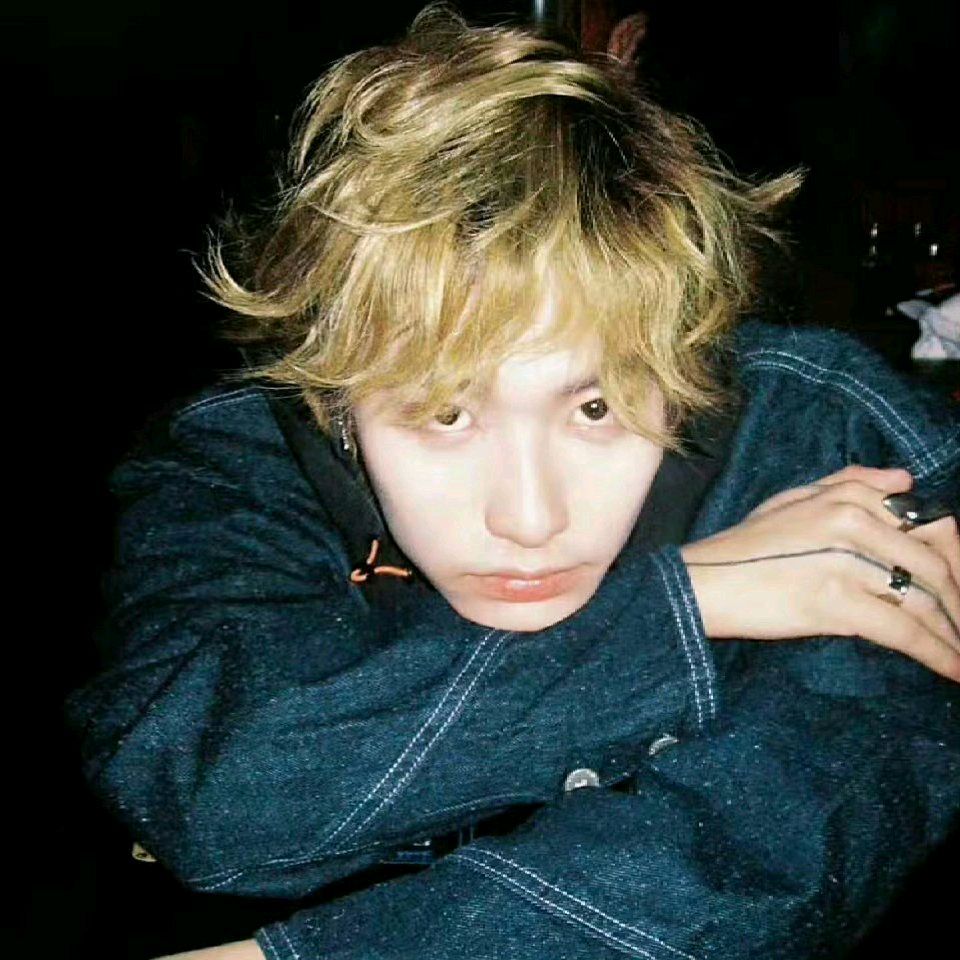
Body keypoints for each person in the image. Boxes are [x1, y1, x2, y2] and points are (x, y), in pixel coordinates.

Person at [64, 5, 960, 959]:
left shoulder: (825, 437)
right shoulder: (242, 456)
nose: (530, 519)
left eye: (598, 407)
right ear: (334, 393)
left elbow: (773, 842)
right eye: (444, 413)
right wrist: (679, 608)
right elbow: (212, 797)